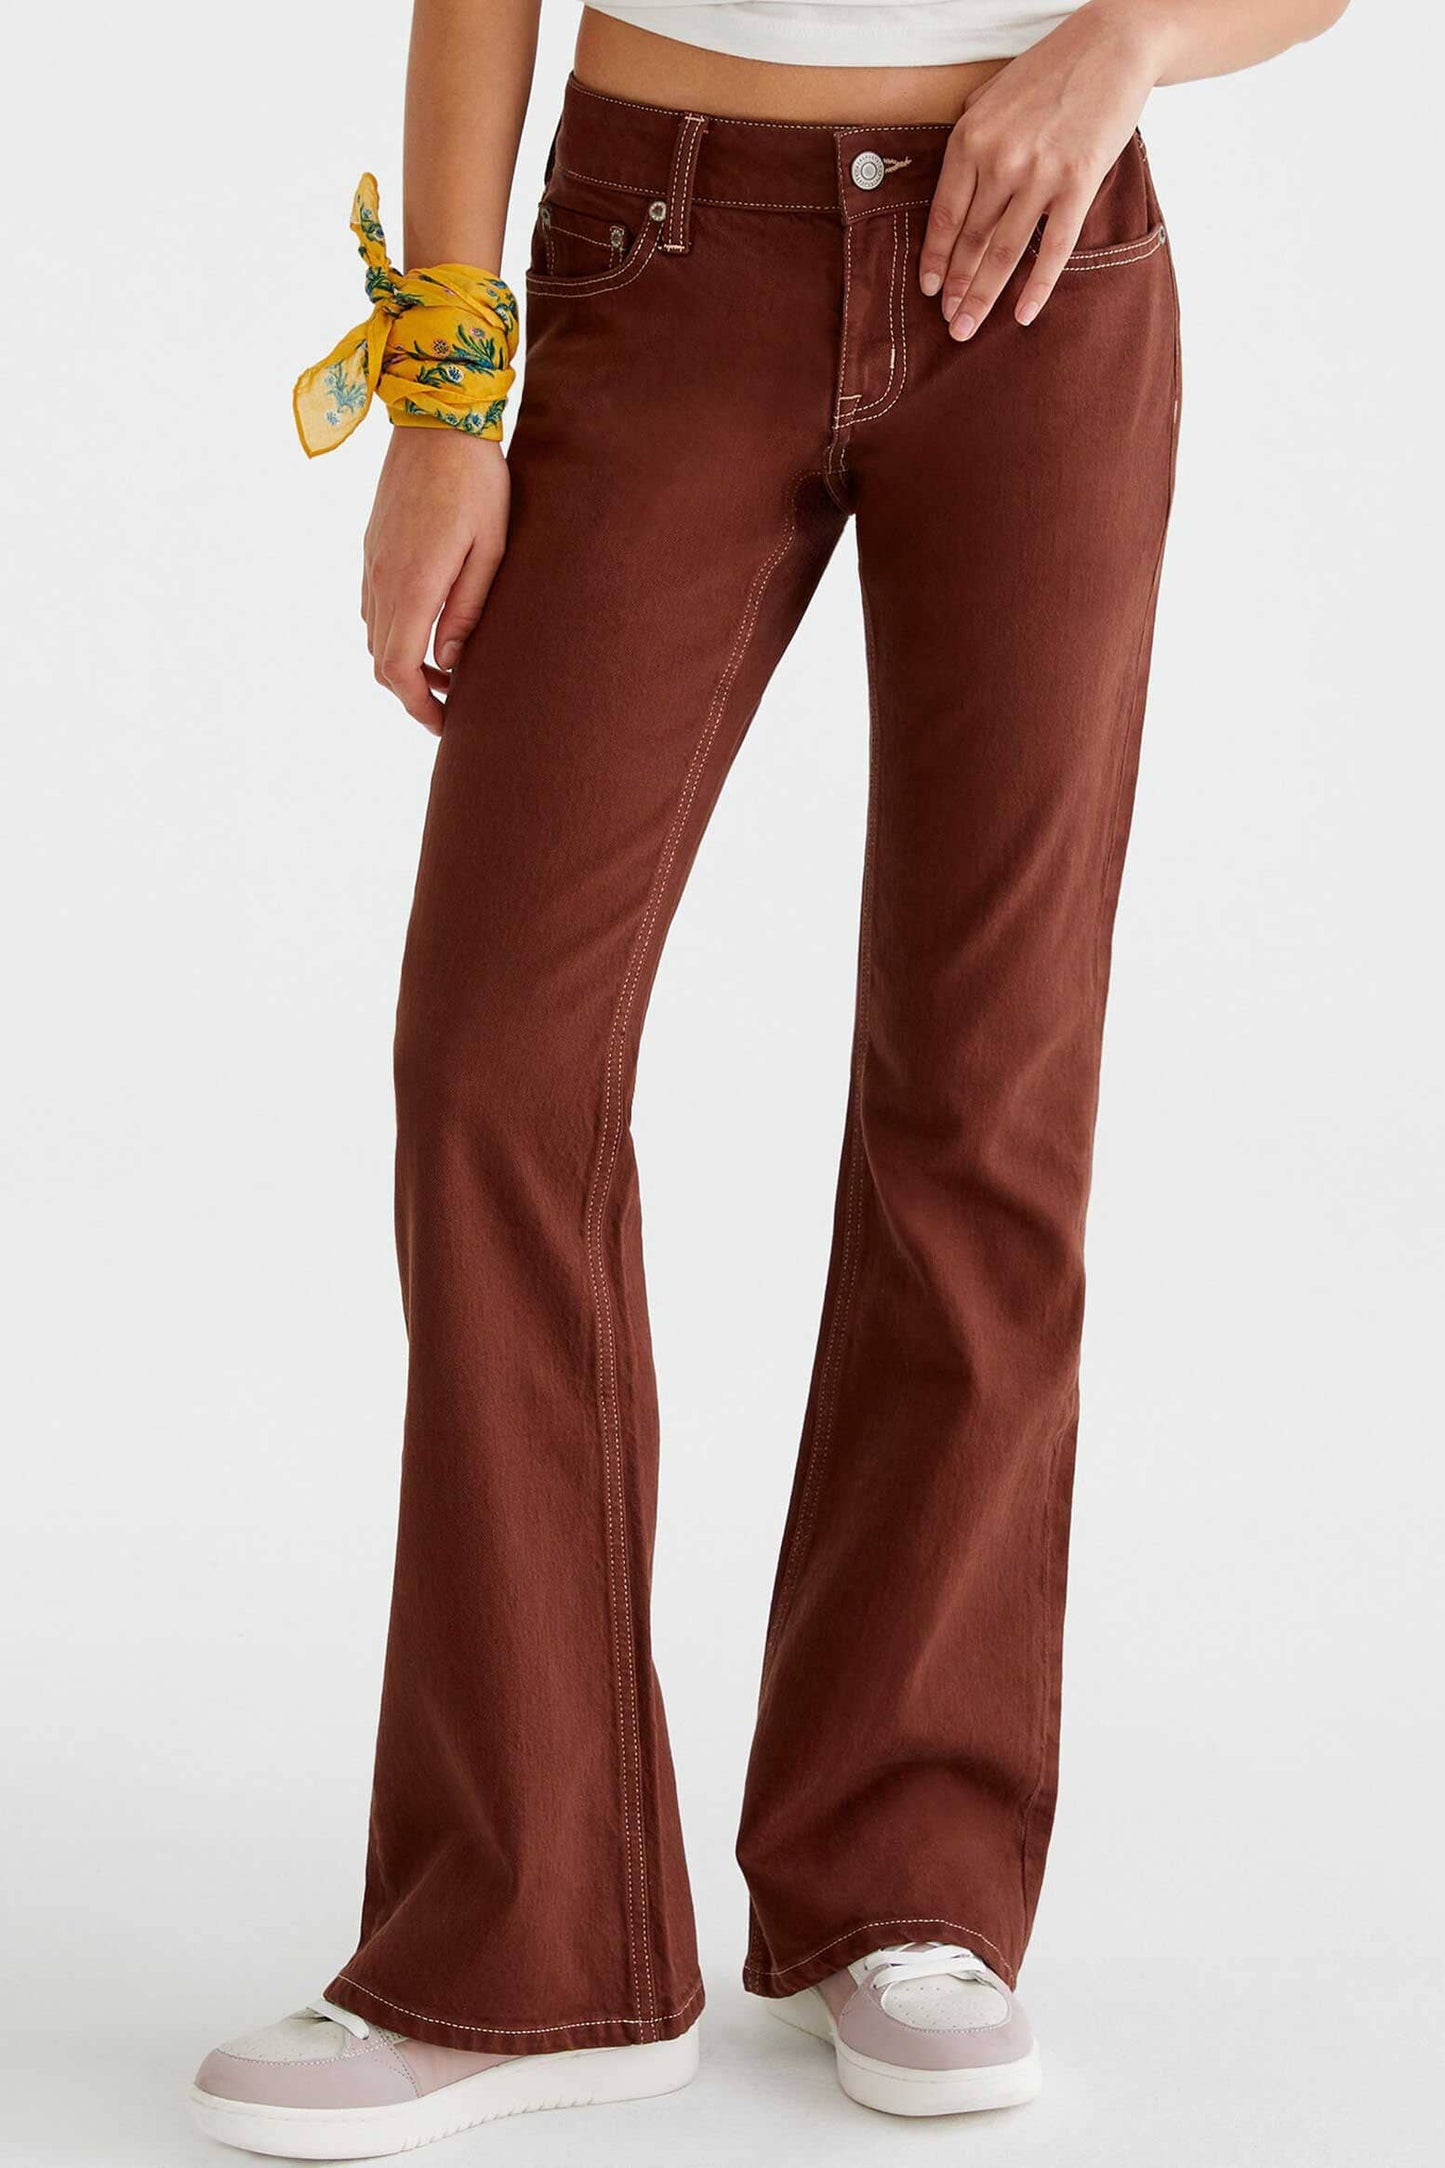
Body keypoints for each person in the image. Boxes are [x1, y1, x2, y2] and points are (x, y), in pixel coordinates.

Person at [192, 0, 1348, 2154]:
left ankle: (907, 1882)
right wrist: (443, 399)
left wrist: (1127, 41)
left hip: (1044, 261)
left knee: (985, 1086)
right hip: (659, 242)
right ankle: (528, 1939)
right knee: (493, 1068)